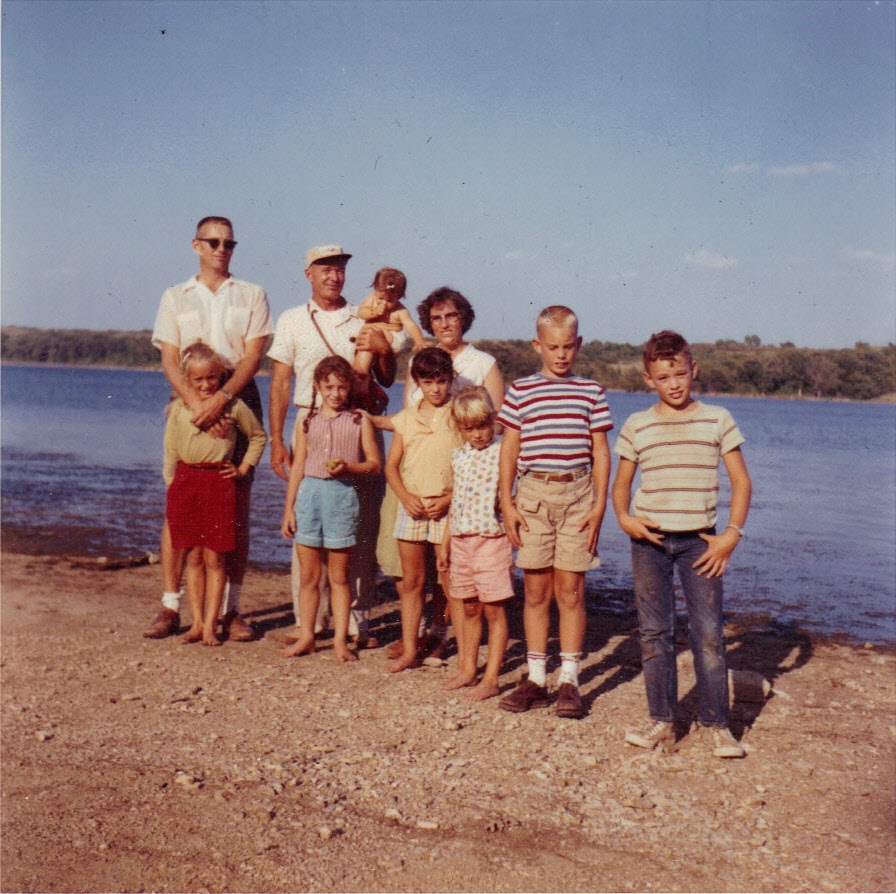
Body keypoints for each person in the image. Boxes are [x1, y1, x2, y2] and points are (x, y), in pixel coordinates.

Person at [612, 330, 752, 758]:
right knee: (655, 633)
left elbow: (741, 481)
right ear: (648, 379)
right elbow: (621, 485)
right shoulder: (638, 424)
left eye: (680, 374)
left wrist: (731, 536)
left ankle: (718, 726)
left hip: (700, 544)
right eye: (662, 377)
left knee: (708, 633)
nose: (673, 384)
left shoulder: (717, 418)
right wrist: (625, 519)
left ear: (694, 370)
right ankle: (662, 721)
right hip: (649, 542)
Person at [144, 216, 273, 641]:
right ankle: (170, 605)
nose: (222, 249)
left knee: (235, 503)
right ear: (196, 245)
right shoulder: (174, 295)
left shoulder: (252, 293)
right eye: (213, 242)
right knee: (179, 501)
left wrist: (222, 399)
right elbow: (169, 358)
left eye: (229, 243)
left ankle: (231, 611)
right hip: (188, 393)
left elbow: (252, 356)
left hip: (238, 392)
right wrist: (198, 402)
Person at [268, 245, 398, 647]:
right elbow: (280, 382)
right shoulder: (291, 319)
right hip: (309, 421)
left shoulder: (365, 316)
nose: (333, 276)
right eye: (324, 269)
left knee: (362, 523)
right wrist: (277, 439)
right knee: (307, 516)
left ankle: (357, 622)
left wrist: (383, 349)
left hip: (358, 422)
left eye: (340, 269)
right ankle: (309, 621)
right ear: (308, 273)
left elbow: (387, 376)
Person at [497, 306, 612, 720]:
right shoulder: (521, 390)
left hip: (578, 496)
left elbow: (600, 451)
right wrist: (506, 501)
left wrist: (599, 504)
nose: (560, 355)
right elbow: (509, 448)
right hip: (532, 495)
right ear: (537, 345)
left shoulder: (591, 391)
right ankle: (535, 678)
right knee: (535, 591)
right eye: (552, 347)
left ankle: (569, 680)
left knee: (571, 591)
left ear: (578, 344)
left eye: (567, 347)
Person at [378, 286, 506, 661]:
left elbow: (493, 427)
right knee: (411, 573)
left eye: (451, 315)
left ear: (464, 318)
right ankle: (416, 639)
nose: (445, 323)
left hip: (459, 490)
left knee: (452, 572)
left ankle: (445, 638)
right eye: (436, 318)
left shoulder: (483, 364)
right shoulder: (419, 363)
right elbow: (406, 420)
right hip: (415, 484)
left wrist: (457, 493)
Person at [163, 343, 267, 646]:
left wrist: (243, 468)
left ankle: (211, 625)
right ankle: (196, 623)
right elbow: (170, 451)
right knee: (194, 556)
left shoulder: (234, 406)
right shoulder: (179, 409)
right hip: (186, 481)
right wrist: (172, 486)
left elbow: (258, 437)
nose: (206, 384)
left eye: (211, 377)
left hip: (218, 483)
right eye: (198, 379)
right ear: (187, 379)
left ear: (220, 376)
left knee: (216, 557)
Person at [280, 356, 381, 663]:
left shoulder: (359, 420)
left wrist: (349, 468)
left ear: (349, 388)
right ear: (317, 387)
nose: (335, 394)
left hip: (342, 497)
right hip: (309, 497)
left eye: (341, 387)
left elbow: (375, 464)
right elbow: (298, 465)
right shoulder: (306, 420)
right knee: (309, 576)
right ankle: (307, 636)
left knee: (339, 577)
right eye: (329, 387)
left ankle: (339, 641)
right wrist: (289, 509)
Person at [380, 347, 461, 673]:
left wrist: (451, 497)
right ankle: (410, 649)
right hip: (412, 507)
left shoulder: (459, 414)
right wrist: (404, 496)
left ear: (451, 379)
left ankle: (441, 639)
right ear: (417, 382)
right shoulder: (406, 418)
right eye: (428, 382)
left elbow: (470, 463)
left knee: (447, 580)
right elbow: (390, 466)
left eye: (441, 381)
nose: (436, 389)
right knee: (412, 581)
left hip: (447, 508)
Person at [436, 387, 512, 701]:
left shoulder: (503, 451)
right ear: (459, 428)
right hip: (461, 540)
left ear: (493, 420)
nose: (477, 434)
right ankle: (468, 667)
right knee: (468, 607)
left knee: (494, 610)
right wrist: (445, 542)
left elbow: (514, 488)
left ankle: (491, 678)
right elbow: (456, 502)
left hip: (491, 539)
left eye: (483, 426)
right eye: (469, 429)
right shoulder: (459, 456)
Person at [353, 267, 426, 408]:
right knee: (365, 343)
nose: (384, 303)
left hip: (393, 339)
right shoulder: (371, 299)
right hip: (373, 339)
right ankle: (359, 374)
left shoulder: (400, 311)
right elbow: (361, 312)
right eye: (381, 298)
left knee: (371, 333)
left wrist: (419, 341)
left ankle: (360, 373)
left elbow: (410, 325)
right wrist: (373, 312)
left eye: (390, 300)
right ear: (375, 289)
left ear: (400, 296)